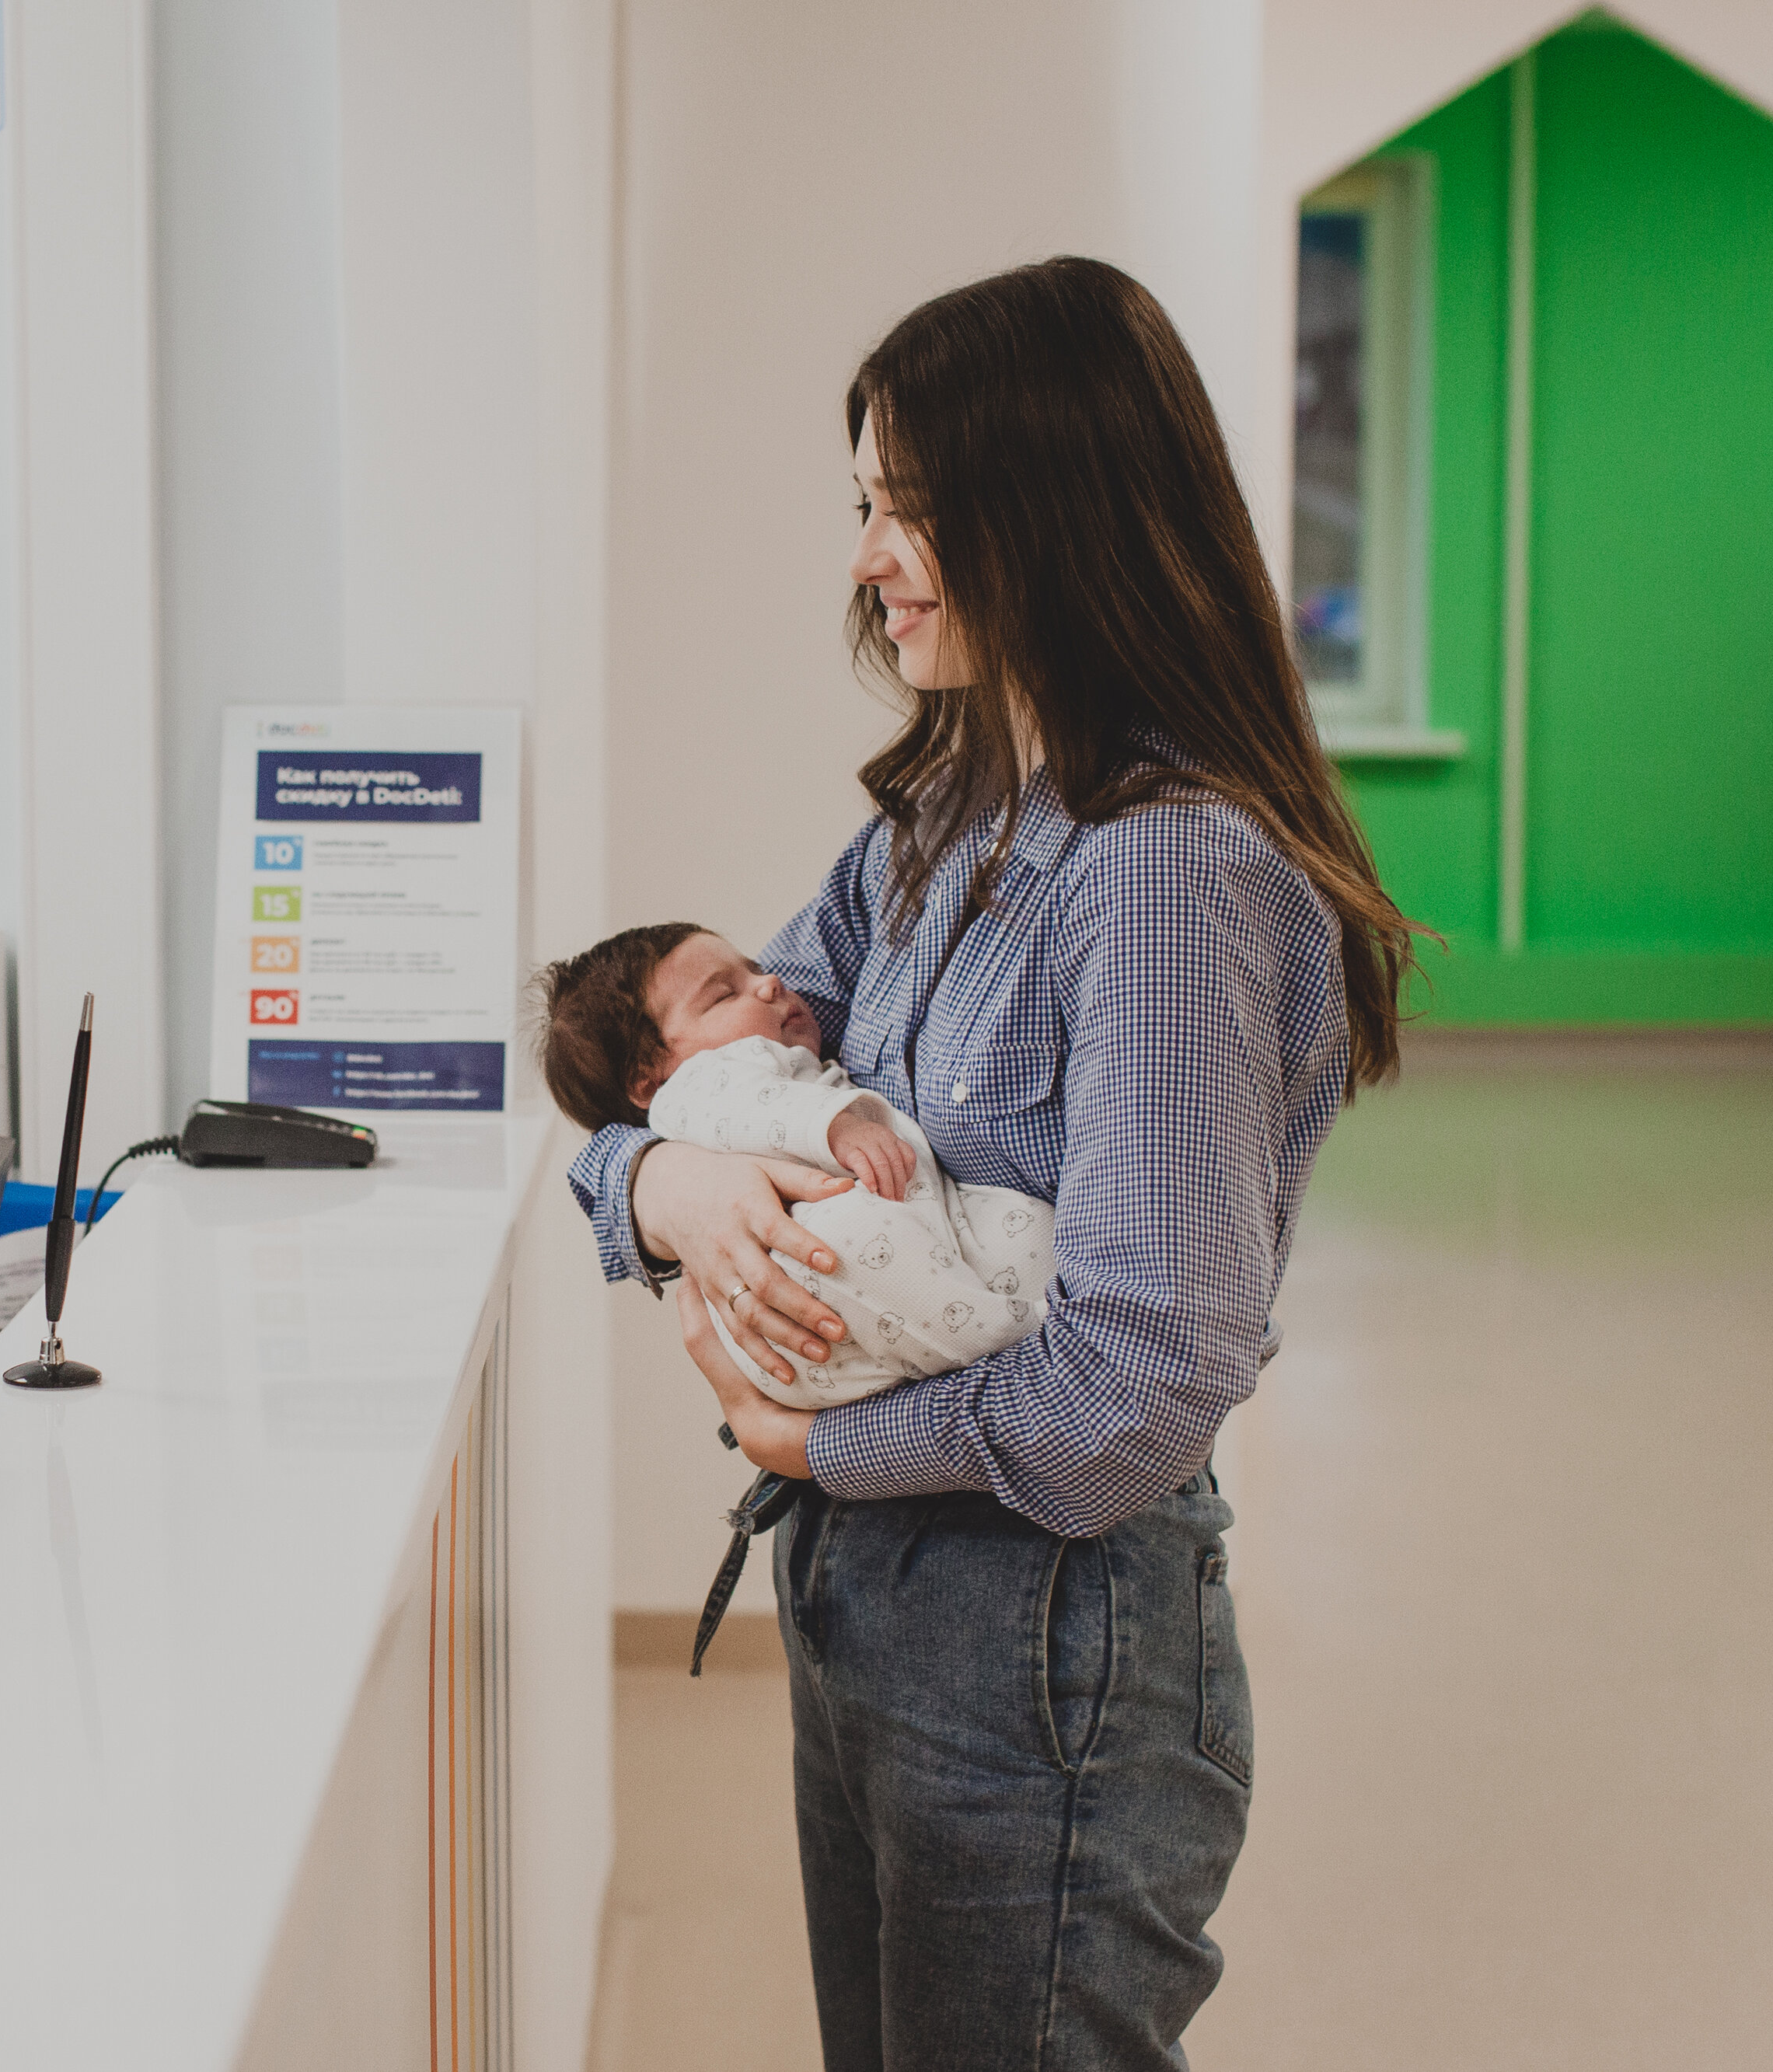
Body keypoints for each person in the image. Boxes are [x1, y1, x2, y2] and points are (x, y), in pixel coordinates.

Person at [564, 257, 1422, 2070]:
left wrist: (822, 1439)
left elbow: (1150, 1360)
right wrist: (661, 1188)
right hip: (877, 1592)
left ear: (1048, 514)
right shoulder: (956, 816)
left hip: (1043, 1634)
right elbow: (687, 1051)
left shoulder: (1167, 873)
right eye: (864, 503)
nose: (871, 554)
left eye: (908, 509)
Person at [532, 921, 1056, 1411]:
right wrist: (838, 1127)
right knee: (846, 1245)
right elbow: (753, 1105)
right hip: (820, 1274)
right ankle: (1025, 1339)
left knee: (1024, 1229)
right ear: (649, 1080)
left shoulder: (772, 1053)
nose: (770, 982)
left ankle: (1055, 1318)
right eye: (724, 994)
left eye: (754, 969)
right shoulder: (697, 1084)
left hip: (896, 1259)